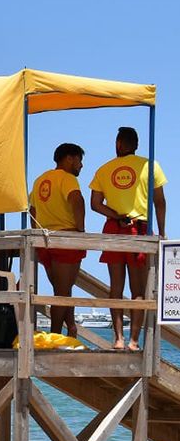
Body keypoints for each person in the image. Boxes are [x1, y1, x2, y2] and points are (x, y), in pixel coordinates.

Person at [91, 126, 167, 350]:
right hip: (140, 230)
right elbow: (160, 202)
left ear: (118, 144)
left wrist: (116, 215)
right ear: (137, 145)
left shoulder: (104, 169)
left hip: (114, 230)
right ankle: (134, 341)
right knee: (138, 290)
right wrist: (161, 232)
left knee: (116, 287)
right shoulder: (150, 166)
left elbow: (95, 204)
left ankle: (117, 339)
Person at [29, 142, 87, 337]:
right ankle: (55, 336)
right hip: (66, 239)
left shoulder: (40, 180)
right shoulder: (67, 178)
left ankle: (70, 328)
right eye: (80, 160)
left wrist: (36, 231)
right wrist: (80, 229)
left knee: (62, 289)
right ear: (69, 158)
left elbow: (32, 210)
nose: (81, 166)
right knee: (62, 294)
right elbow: (77, 200)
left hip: (45, 241)